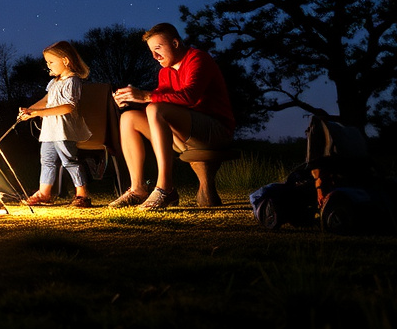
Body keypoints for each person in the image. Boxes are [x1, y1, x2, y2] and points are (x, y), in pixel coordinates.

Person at [109, 22, 236, 210]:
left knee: (155, 108)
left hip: (215, 131)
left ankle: (164, 188)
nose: (155, 56)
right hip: (185, 133)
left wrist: (146, 96)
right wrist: (132, 100)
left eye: (158, 48)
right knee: (129, 118)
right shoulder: (165, 72)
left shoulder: (197, 59)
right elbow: (159, 104)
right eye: (151, 51)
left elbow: (189, 97)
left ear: (175, 44)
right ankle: (138, 189)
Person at [19, 40, 94, 207]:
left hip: (63, 129)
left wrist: (39, 113)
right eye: (47, 63)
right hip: (49, 129)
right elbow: (47, 100)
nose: (48, 66)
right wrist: (30, 110)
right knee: (47, 160)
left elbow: (68, 107)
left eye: (51, 62)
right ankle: (44, 193)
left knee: (69, 160)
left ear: (65, 61)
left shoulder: (72, 81)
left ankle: (82, 195)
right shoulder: (54, 82)